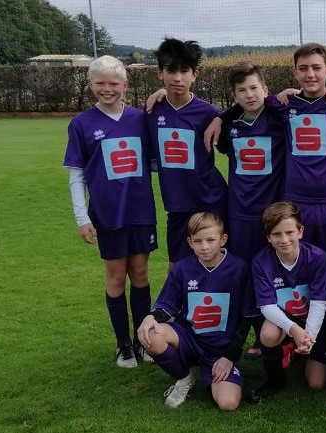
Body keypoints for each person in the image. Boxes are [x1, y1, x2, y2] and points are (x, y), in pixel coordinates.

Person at [64, 55, 157, 368]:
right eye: (100, 83)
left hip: (140, 211)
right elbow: (76, 175)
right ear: (90, 84)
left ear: (125, 85)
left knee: (141, 274)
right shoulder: (81, 124)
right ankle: (123, 346)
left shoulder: (140, 119)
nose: (107, 89)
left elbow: (154, 162)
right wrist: (82, 218)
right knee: (117, 277)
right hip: (108, 214)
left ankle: (144, 341)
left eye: (113, 83)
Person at [136, 212, 250, 410]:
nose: (204, 247)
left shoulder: (239, 269)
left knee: (228, 403)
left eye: (210, 240)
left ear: (223, 239)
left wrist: (229, 356)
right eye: (198, 241)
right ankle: (184, 377)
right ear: (190, 242)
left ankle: (212, 370)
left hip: (220, 348)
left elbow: (246, 316)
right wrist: (150, 317)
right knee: (151, 334)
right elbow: (167, 305)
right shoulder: (182, 268)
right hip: (188, 339)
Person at [147, 38, 227, 269]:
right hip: (177, 206)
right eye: (171, 71)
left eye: (184, 71)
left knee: (215, 267)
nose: (177, 78)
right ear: (160, 73)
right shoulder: (151, 112)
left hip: (211, 202)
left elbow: (251, 110)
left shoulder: (209, 113)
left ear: (195, 75)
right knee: (177, 269)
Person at [247, 201, 326, 403]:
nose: (284, 239)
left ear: (300, 232)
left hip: (316, 322)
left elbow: (319, 303)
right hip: (287, 322)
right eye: (276, 234)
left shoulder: (317, 257)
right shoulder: (261, 261)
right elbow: (267, 306)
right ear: (268, 237)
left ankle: (301, 350)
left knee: (316, 383)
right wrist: (294, 330)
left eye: (289, 232)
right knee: (268, 334)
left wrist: (308, 337)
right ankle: (276, 380)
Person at [214, 61, 287, 262]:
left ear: (265, 90)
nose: (249, 95)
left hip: (273, 209)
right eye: (242, 90)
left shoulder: (280, 120)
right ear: (234, 96)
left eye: (254, 88)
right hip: (239, 210)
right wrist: (221, 118)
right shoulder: (228, 126)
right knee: (242, 267)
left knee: (274, 267)